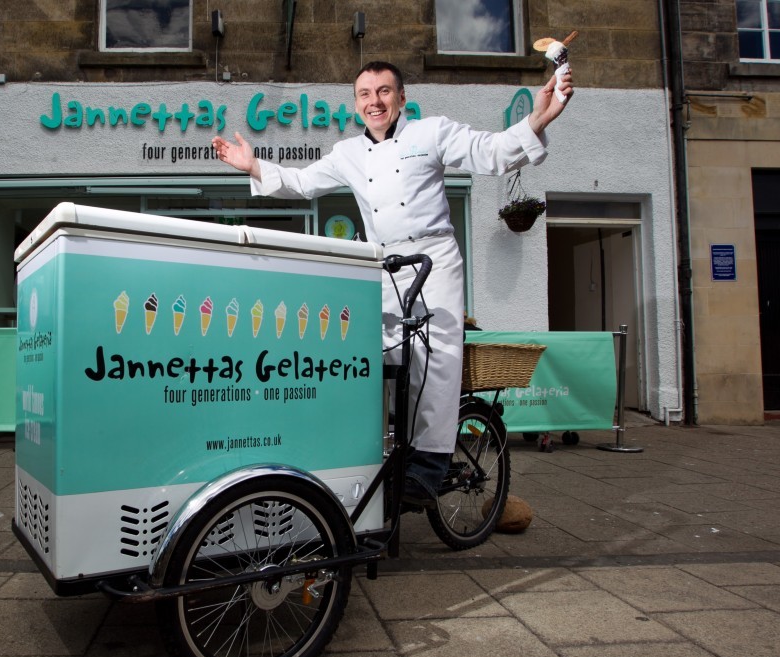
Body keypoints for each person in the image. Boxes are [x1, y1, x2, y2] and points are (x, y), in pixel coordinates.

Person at [211, 62, 573, 508]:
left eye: (384, 91)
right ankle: (387, 452)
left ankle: (430, 464)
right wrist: (252, 165)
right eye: (365, 94)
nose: (374, 101)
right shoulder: (348, 153)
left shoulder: (431, 133)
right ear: (356, 103)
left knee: (435, 357)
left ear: (402, 98)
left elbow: (491, 151)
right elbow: (303, 184)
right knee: (386, 360)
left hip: (434, 257)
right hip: (384, 262)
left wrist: (538, 118)